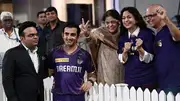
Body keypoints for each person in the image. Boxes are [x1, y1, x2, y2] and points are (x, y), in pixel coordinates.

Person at [47, 23, 96, 101]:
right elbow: (49, 70)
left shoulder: (84, 55)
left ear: (77, 36)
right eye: (66, 34)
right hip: (58, 96)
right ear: (63, 35)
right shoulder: (54, 53)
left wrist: (90, 81)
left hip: (77, 96)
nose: (69, 37)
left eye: (72, 34)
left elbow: (93, 74)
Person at [2, 21, 48, 101]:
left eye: (36, 34)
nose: (35, 37)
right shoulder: (12, 54)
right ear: (22, 38)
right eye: (31, 35)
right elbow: (7, 81)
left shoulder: (40, 53)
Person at [80, 9, 124, 84]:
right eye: (107, 23)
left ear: (118, 22)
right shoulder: (100, 33)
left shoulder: (124, 34)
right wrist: (87, 34)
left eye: (113, 22)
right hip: (105, 70)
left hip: (121, 69)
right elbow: (92, 40)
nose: (110, 25)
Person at [118, 7, 157, 90]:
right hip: (130, 79)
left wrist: (140, 49)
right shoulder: (122, 37)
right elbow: (122, 60)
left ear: (136, 19)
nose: (126, 20)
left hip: (147, 80)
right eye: (123, 18)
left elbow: (150, 59)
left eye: (129, 17)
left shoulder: (148, 34)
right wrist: (125, 51)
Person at [145, 4, 180, 94]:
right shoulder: (156, 34)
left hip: (174, 83)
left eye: (151, 15)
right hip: (162, 83)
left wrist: (166, 19)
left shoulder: (169, 29)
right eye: (146, 17)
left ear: (161, 14)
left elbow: (178, 36)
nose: (148, 19)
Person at [0, 11, 20, 101]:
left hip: (18, 69)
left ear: (13, 21)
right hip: (2, 69)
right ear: (1, 22)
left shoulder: (19, 33)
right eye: (5, 20)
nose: (8, 22)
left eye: (10, 20)